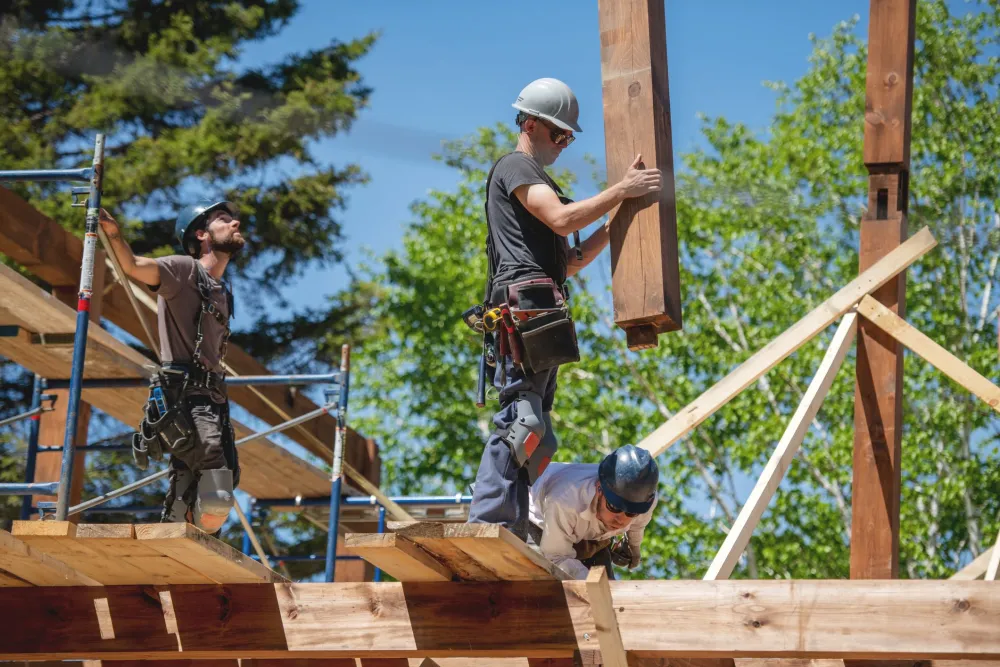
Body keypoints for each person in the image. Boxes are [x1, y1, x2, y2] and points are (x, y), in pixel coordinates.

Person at [468, 77, 663, 539]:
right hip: (523, 309)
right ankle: (489, 524)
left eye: (569, 137)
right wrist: (621, 190)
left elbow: (570, 260)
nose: (564, 144)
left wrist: (623, 215)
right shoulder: (516, 167)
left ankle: (514, 528)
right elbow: (560, 218)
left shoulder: (540, 180)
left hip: (543, 310)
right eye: (559, 135)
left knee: (536, 436)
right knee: (521, 422)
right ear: (530, 123)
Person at [98, 201, 244, 534]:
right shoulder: (183, 271)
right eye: (223, 219)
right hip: (185, 395)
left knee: (212, 481)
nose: (235, 223)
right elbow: (134, 266)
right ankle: (181, 533)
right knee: (216, 484)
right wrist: (113, 233)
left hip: (212, 396)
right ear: (201, 234)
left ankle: (177, 534)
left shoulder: (222, 290)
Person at [527, 445, 659, 579]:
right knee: (544, 582)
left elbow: (638, 525)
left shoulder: (643, 500)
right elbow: (556, 557)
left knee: (609, 594)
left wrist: (633, 545)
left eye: (631, 513)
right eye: (615, 507)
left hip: (583, 531)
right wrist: (592, 585)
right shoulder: (565, 500)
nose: (621, 520)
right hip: (542, 526)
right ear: (599, 488)